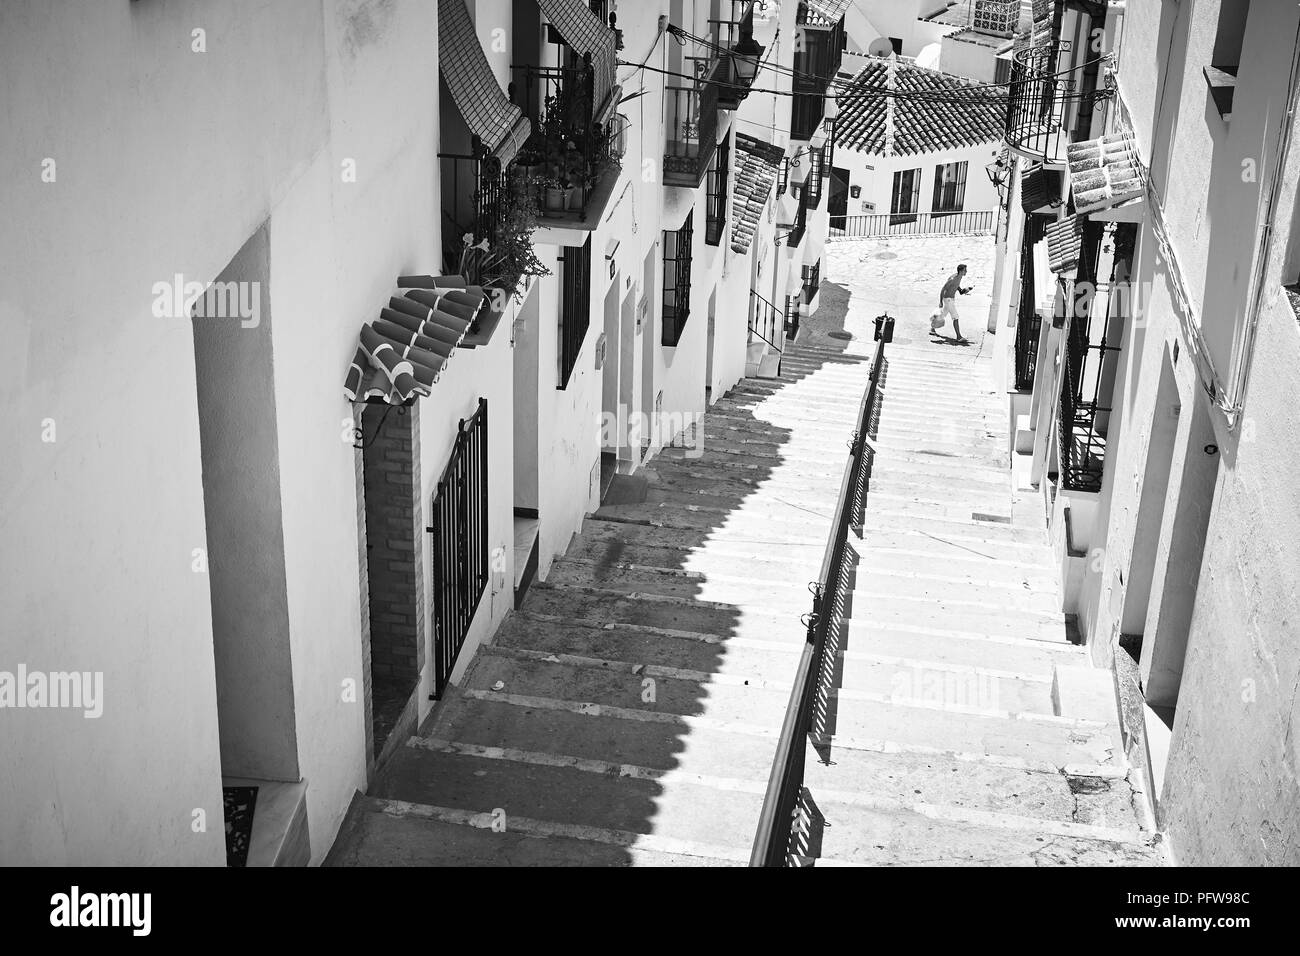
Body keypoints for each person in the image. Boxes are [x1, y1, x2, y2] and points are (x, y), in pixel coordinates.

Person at [934, 263, 972, 344]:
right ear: (961, 271)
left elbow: (958, 289)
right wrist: (940, 301)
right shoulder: (952, 278)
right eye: (965, 270)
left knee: (942, 315)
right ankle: (959, 337)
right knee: (955, 317)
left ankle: (932, 329)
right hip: (948, 299)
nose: (966, 271)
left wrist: (965, 290)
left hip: (951, 299)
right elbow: (943, 289)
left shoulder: (959, 277)